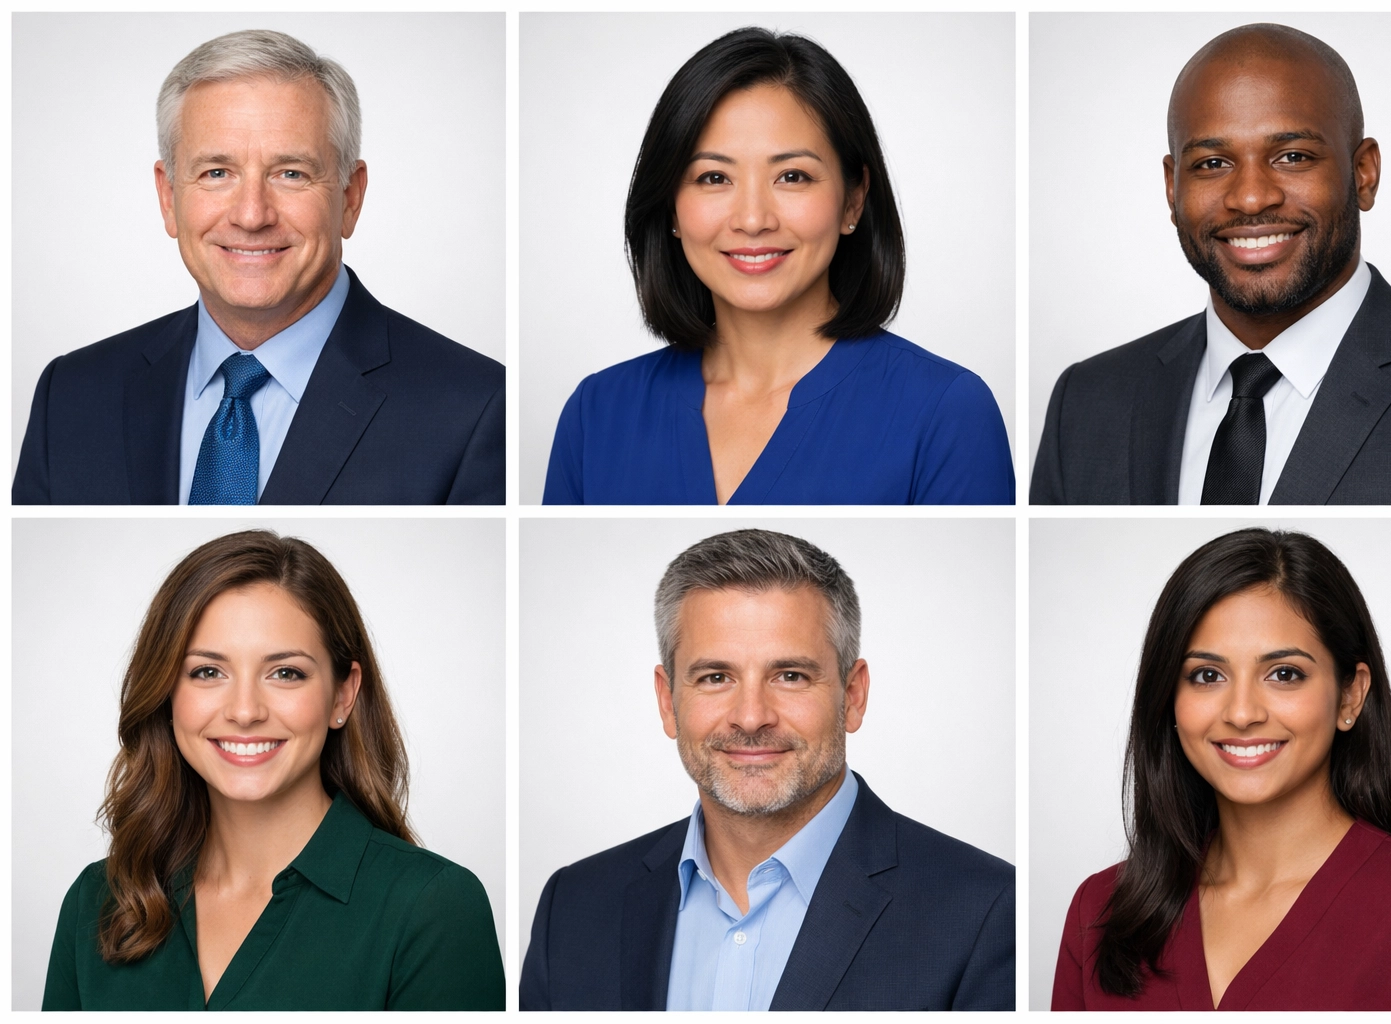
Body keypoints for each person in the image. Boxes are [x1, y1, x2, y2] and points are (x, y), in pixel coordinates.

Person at [520, 529, 1014, 1009]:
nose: (752, 716)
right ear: (668, 702)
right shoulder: (573, 907)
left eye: (791, 676)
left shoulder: (984, 911)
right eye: (715, 677)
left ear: (854, 696)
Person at [1030, 23, 1391, 505]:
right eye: (1212, 164)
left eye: (1291, 156)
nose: (1249, 198)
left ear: (1364, 173)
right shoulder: (1086, 401)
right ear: (1172, 186)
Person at [14, 30, 504, 505]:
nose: (251, 215)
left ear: (350, 197)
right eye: (216, 173)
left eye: (291, 173)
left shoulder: (471, 408)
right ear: (168, 197)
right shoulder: (71, 395)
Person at [1052, 528, 1391, 1010]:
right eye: (1207, 676)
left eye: (1284, 674)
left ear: (1350, 695)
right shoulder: (1101, 909)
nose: (1241, 712)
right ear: (1169, 700)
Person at [543, 28, 1014, 505]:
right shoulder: (597, 414)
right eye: (713, 177)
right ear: (671, 209)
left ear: (853, 200)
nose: (752, 219)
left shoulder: (947, 412)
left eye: (792, 176)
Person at [42, 531, 504, 1010]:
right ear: (166, 693)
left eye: (285, 673)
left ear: (343, 695)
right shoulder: (97, 901)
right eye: (207, 671)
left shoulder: (433, 908)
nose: (244, 711)